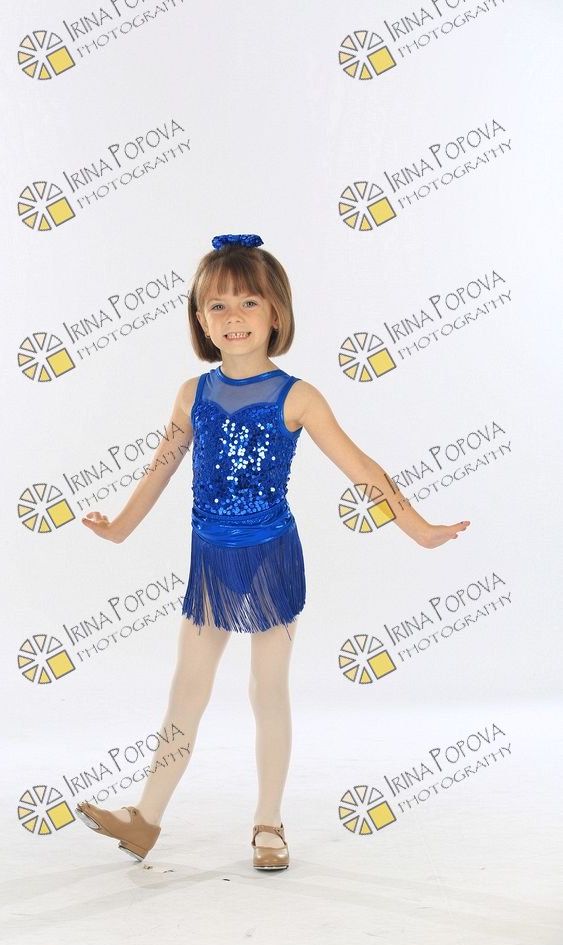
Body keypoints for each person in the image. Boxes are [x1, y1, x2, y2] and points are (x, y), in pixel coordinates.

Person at [74, 233, 471, 871]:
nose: (233, 317)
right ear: (200, 319)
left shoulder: (298, 396)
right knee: (186, 691)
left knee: (267, 690)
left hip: (270, 559)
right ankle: (145, 819)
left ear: (276, 314)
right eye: (218, 306)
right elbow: (160, 469)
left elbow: (362, 468)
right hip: (210, 559)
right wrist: (118, 528)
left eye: (248, 303)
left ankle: (268, 823)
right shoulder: (192, 394)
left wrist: (418, 529)